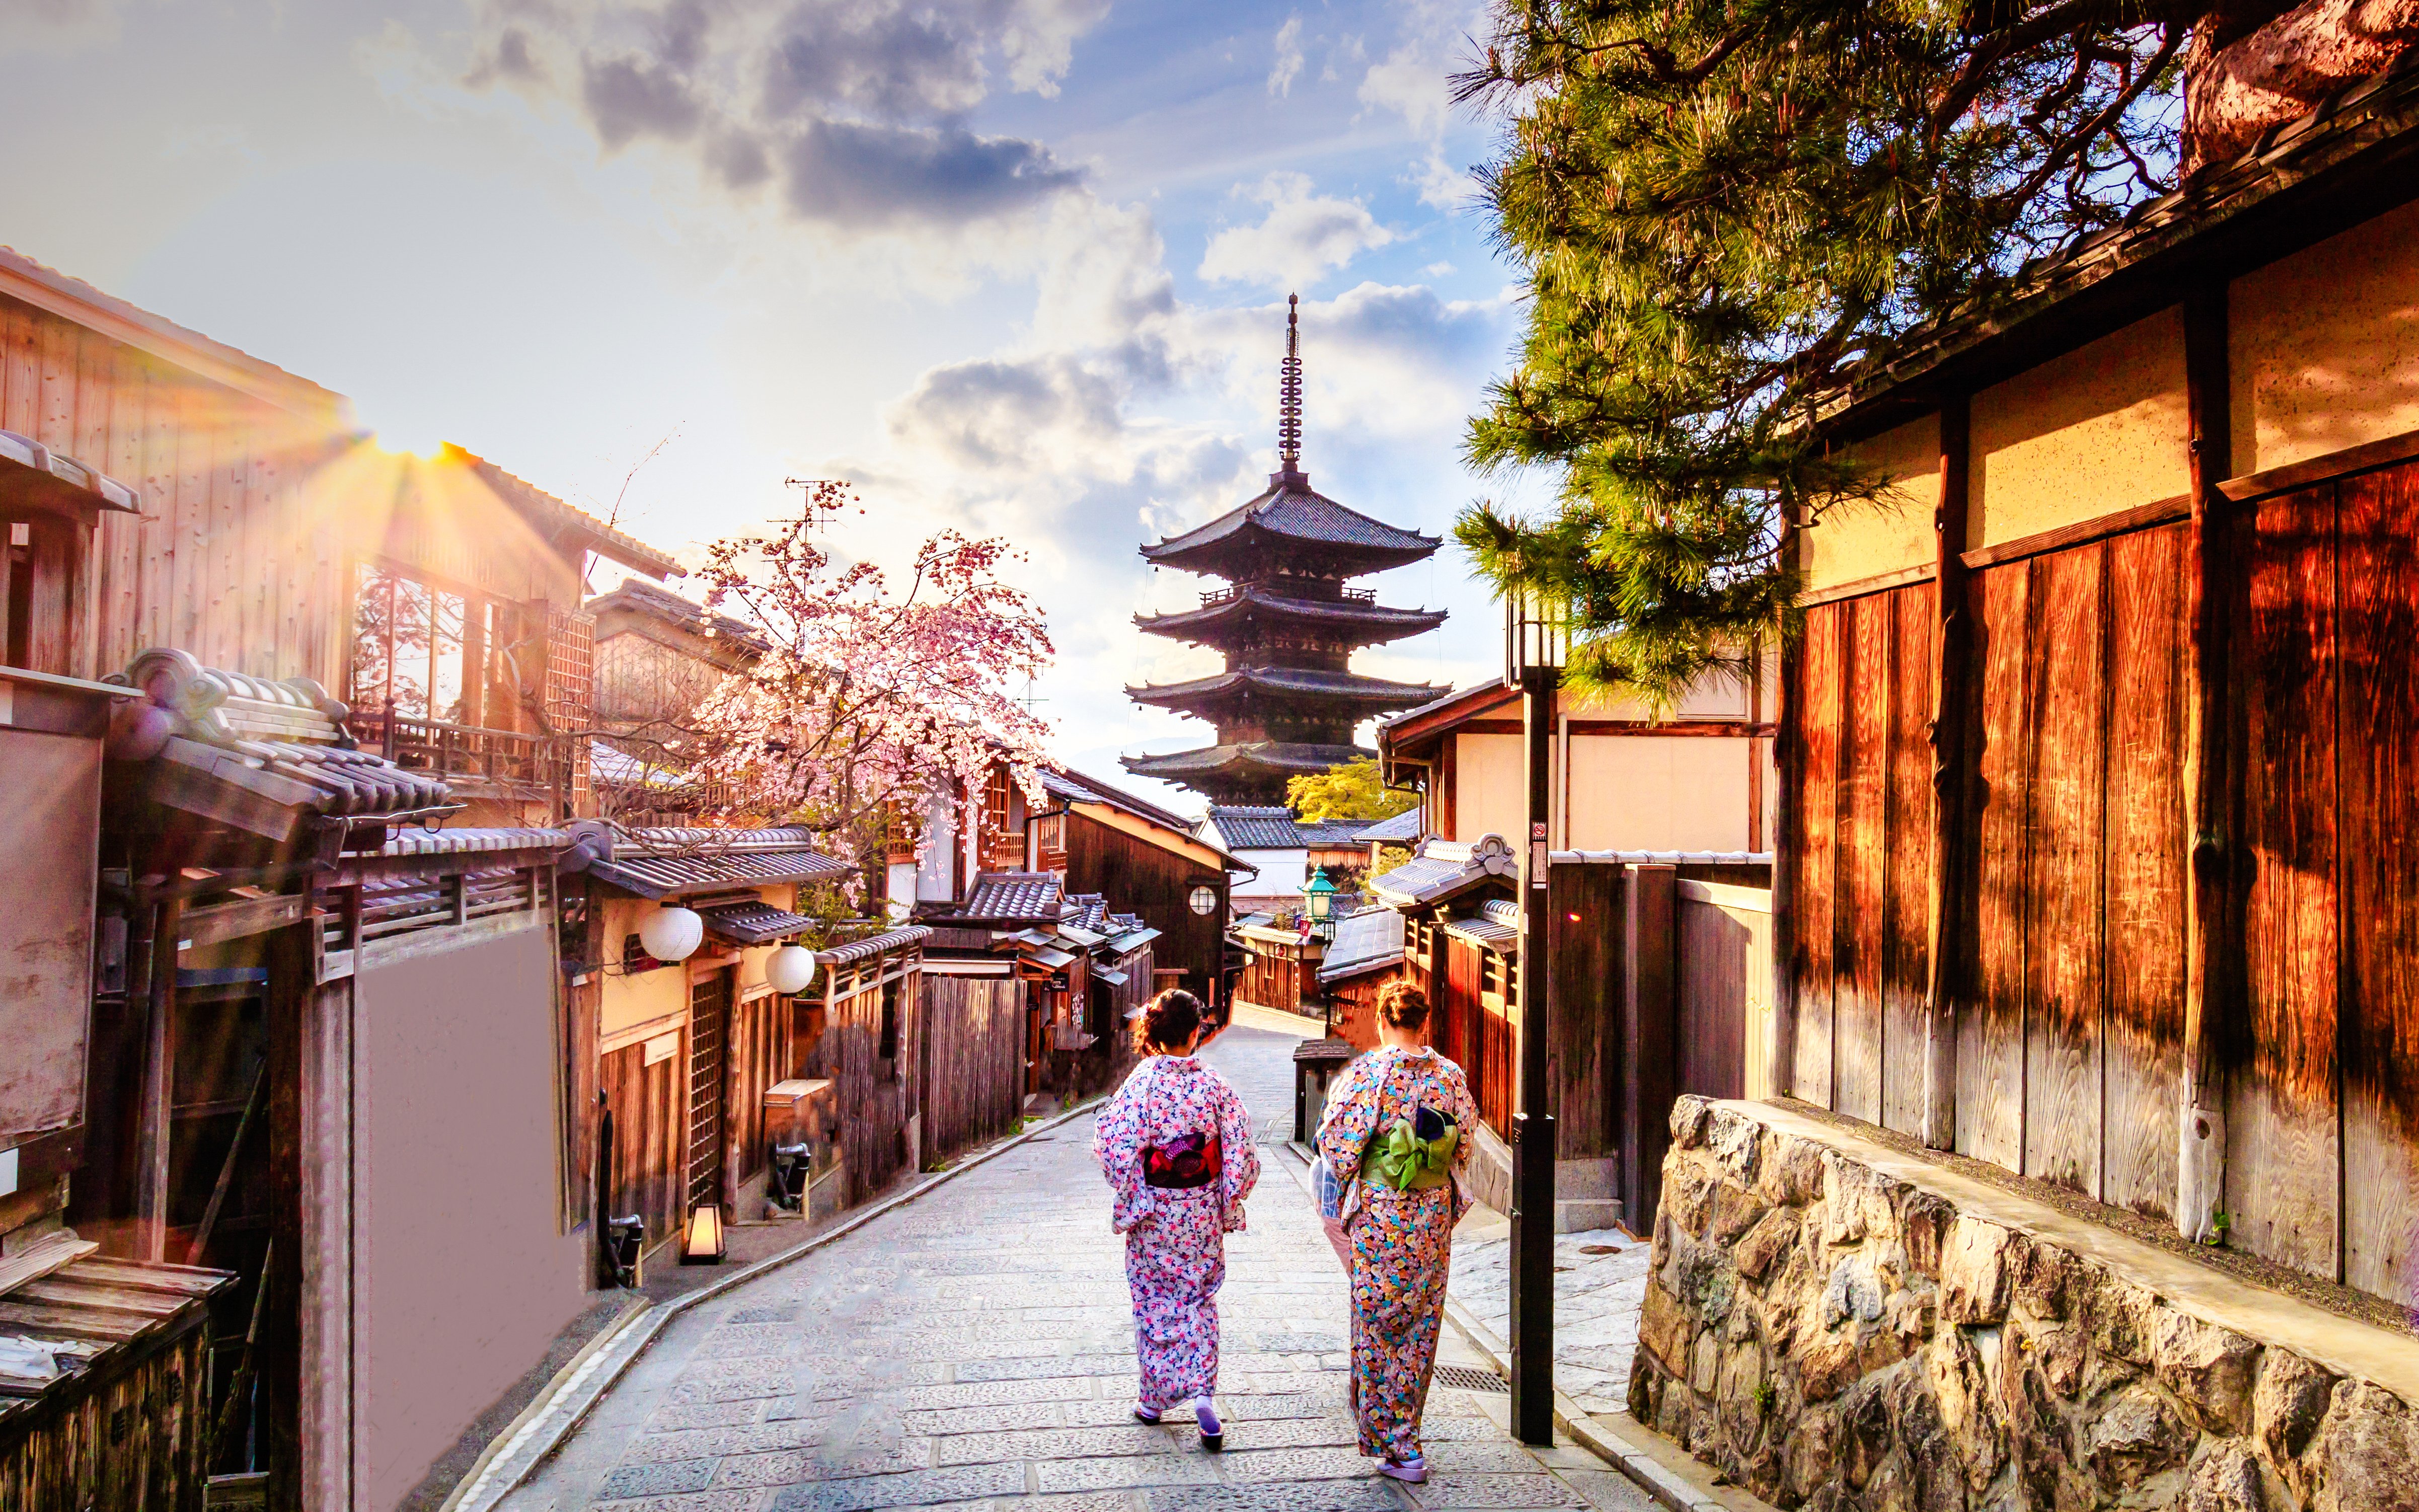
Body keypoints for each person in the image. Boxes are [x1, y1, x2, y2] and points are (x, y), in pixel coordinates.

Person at [1314, 980, 1476, 1484]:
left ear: (1383, 1021)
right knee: (1421, 1323)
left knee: (1379, 1317)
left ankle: (1395, 1442)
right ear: (1424, 1022)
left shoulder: (1368, 1073)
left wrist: (1351, 1178)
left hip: (1383, 1212)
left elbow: (1335, 1144)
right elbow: (1465, 1140)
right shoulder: (1449, 1075)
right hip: (1429, 1214)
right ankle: (1407, 1435)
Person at [1091, 989, 1260, 1450]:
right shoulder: (1214, 1085)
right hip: (1200, 1209)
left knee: (1153, 1300)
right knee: (1198, 1299)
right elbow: (1241, 1150)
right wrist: (1229, 1195)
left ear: (1156, 1032)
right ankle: (1203, 1393)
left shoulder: (1141, 1084)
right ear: (1195, 1032)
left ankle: (1154, 1399)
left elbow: (1114, 1146)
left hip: (1155, 1212)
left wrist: (1136, 1189)